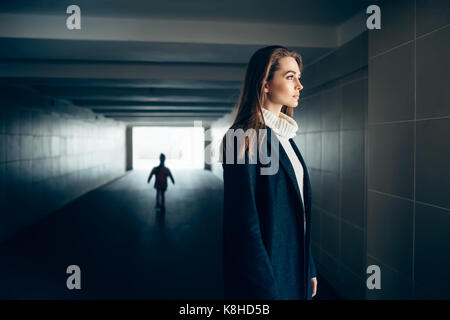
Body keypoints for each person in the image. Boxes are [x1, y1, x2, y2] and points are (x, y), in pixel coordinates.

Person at [220, 45, 318, 300]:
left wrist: (309, 266)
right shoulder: (241, 138)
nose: (299, 85)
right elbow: (242, 224)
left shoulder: (286, 138)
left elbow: (298, 214)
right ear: (265, 84)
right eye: (290, 77)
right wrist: (263, 288)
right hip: (268, 278)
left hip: (294, 268)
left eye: (299, 77)